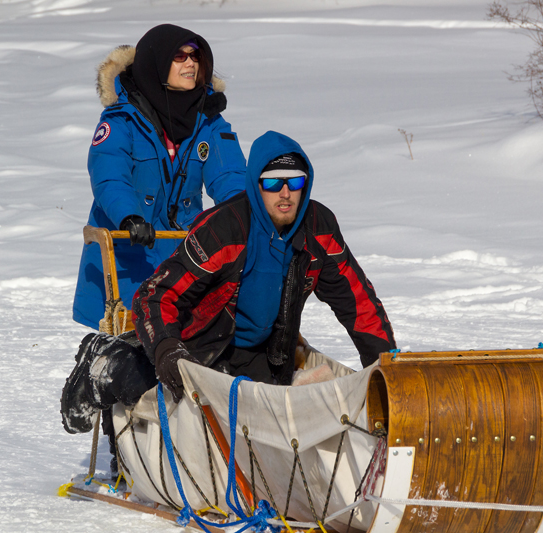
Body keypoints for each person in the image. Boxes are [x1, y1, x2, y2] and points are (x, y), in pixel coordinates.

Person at [61, 131, 395, 435]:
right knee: (146, 387)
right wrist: (168, 351)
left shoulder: (318, 228)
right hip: (197, 347)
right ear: (255, 183)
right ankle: (106, 362)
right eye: (273, 182)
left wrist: (388, 369)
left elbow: (358, 302)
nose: (285, 193)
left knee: (274, 422)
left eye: (295, 183)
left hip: (264, 354)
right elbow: (154, 296)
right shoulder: (225, 230)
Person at [73, 24, 246, 330]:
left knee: (198, 331)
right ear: (157, 62)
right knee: (136, 339)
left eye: (196, 56)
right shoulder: (122, 119)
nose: (191, 63)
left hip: (185, 249)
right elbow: (109, 176)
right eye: (180, 56)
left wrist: (243, 214)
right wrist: (129, 217)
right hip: (128, 247)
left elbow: (230, 175)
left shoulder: (209, 121)